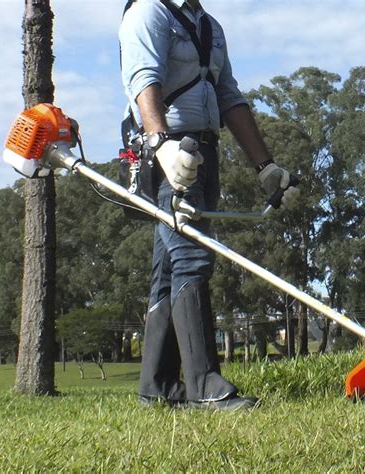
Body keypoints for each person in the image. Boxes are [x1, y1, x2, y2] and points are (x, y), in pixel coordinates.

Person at [119, 0, 300, 410]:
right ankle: (204, 386)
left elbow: (228, 95)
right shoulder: (148, 12)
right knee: (191, 257)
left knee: (168, 269)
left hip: (205, 152)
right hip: (169, 154)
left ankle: (157, 388)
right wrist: (160, 145)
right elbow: (142, 79)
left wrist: (265, 165)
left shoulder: (209, 25)